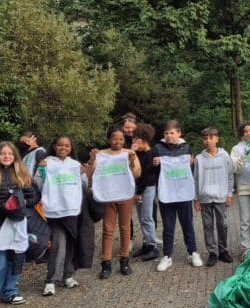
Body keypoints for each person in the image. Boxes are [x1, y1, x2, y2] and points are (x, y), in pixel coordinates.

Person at [0, 142, 40, 308]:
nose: (6, 156)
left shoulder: (21, 174)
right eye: (3, 154)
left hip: (17, 223)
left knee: (17, 257)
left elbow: (35, 196)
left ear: (15, 156)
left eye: (10, 153)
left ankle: (10, 291)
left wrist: (19, 204)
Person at [87, 127, 141, 278]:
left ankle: (125, 260)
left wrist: (131, 163)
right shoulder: (101, 155)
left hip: (124, 195)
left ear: (124, 140)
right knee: (107, 229)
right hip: (107, 195)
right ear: (108, 139)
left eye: (121, 139)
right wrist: (91, 160)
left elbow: (137, 173)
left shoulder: (129, 154)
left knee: (125, 228)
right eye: (114, 138)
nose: (118, 141)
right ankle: (106, 262)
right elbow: (90, 176)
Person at [34, 137, 85, 295]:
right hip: (55, 210)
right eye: (60, 145)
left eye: (67, 145)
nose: (63, 147)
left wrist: (84, 174)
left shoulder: (75, 164)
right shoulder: (46, 162)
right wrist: (42, 171)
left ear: (71, 148)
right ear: (54, 146)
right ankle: (51, 280)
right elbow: (37, 184)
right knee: (57, 244)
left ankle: (68, 275)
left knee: (71, 243)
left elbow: (85, 185)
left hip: (73, 210)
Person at [153, 120, 200, 271]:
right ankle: (167, 256)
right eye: (166, 133)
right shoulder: (158, 148)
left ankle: (192, 252)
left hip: (183, 193)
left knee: (188, 224)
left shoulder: (186, 147)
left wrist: (191, 163)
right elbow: (153, 173)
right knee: (168, 226)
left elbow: (190, 171)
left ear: (179, 133)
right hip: (166, 194)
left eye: (172, 133)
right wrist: (155, 164)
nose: (169, 136)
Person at [194, 127, 234, 267]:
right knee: (208, 226)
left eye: (211, 138)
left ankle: (223, 251)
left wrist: (229, 194)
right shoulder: (199, 159)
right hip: (205, 198)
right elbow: (196, 179)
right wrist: (196, 198)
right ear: (202, 140)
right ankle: (212, 252)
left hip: (221, 197)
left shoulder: (225, 156)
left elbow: (230, 176)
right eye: (205, 138)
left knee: (222, 225)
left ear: (217, 139)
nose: (208, 141)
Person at [130, 124, 161, 262]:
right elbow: (132, 170)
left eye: (136, 140)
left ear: (143, 140)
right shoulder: (137, 154)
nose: (134, 143)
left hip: (147, 188)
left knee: (147, 217)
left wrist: (138, 193)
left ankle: (153, 247)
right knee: (142, 218)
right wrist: (132, 153)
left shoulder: (153, 153)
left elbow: (147, 175)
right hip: (137, 189)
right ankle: (146, 243)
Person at [230, 122, 250, 254]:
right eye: (245, 131)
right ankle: (245, 249)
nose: (248, 133)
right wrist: (243, 156)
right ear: (242, 133)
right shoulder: (236, 148)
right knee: (245, 220)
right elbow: (235, 169)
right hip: (243, 187)